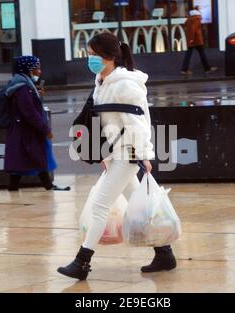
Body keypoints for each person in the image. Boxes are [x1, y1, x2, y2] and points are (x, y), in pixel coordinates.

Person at [57, 33, 177, 280]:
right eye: (88, 54)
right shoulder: (102, 80)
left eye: (93, 54)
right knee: (140, 205)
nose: (89, 59)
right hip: (115, 153)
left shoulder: (124, 84)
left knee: (100, 205)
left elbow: (139, 123)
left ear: (109, 57)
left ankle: (82, 262)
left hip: (127, 154)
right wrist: (104, 153)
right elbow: (103, 123)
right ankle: (164, 253)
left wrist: (143, 156)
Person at [4, 56, 69, 192]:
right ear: (27, 70)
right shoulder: (22, 87)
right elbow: (29, 111)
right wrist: (45, 129)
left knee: (30, 158)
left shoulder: (24, 84)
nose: (39, 72)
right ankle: (43, 186)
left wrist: (36, 95)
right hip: (26, 131)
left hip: (24, 130)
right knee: (33, 157)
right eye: (36, 69)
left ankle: (44, 186)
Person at [181, 6, 217, 75]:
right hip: (196, 40)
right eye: (200, 9)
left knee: (190, 54)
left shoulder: (189, 19)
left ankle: (184, 69)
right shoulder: (197, 18)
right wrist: (192, 39)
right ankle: (207, 69)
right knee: (201, 54)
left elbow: (185, 26)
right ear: (197, 11)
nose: (201, 11)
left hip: (192, 40)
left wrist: (189, 38)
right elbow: (193, 29)